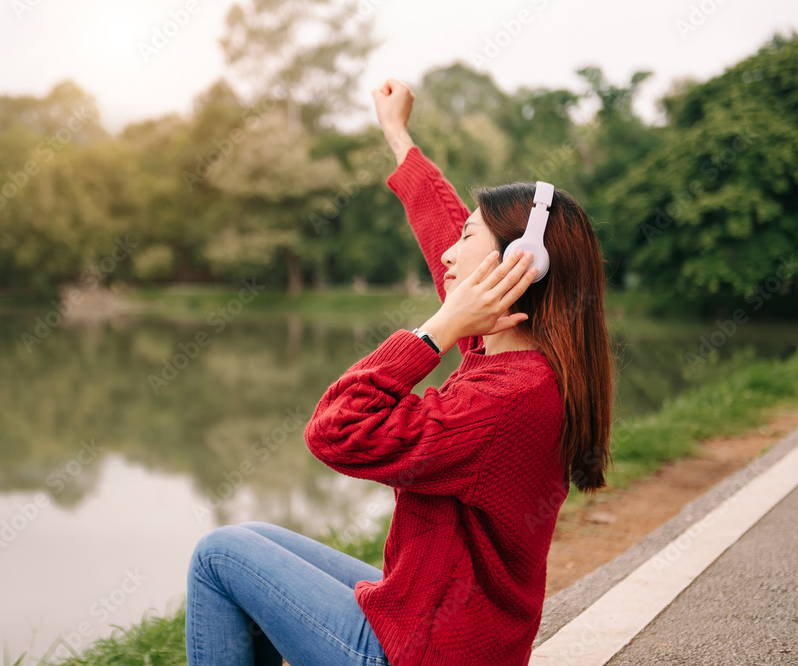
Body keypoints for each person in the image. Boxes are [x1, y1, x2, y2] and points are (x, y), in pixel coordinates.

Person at [185, 78, 614, 666]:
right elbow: (441, 225)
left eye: (468, 238)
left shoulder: (505, 398)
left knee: (219, 554)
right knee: (258, 540)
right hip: (444, 627)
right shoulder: (519, 361)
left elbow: (336, 430)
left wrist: (435, 330)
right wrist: (397, 135)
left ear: (515, 266)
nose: (448, 253)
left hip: (421, 654)